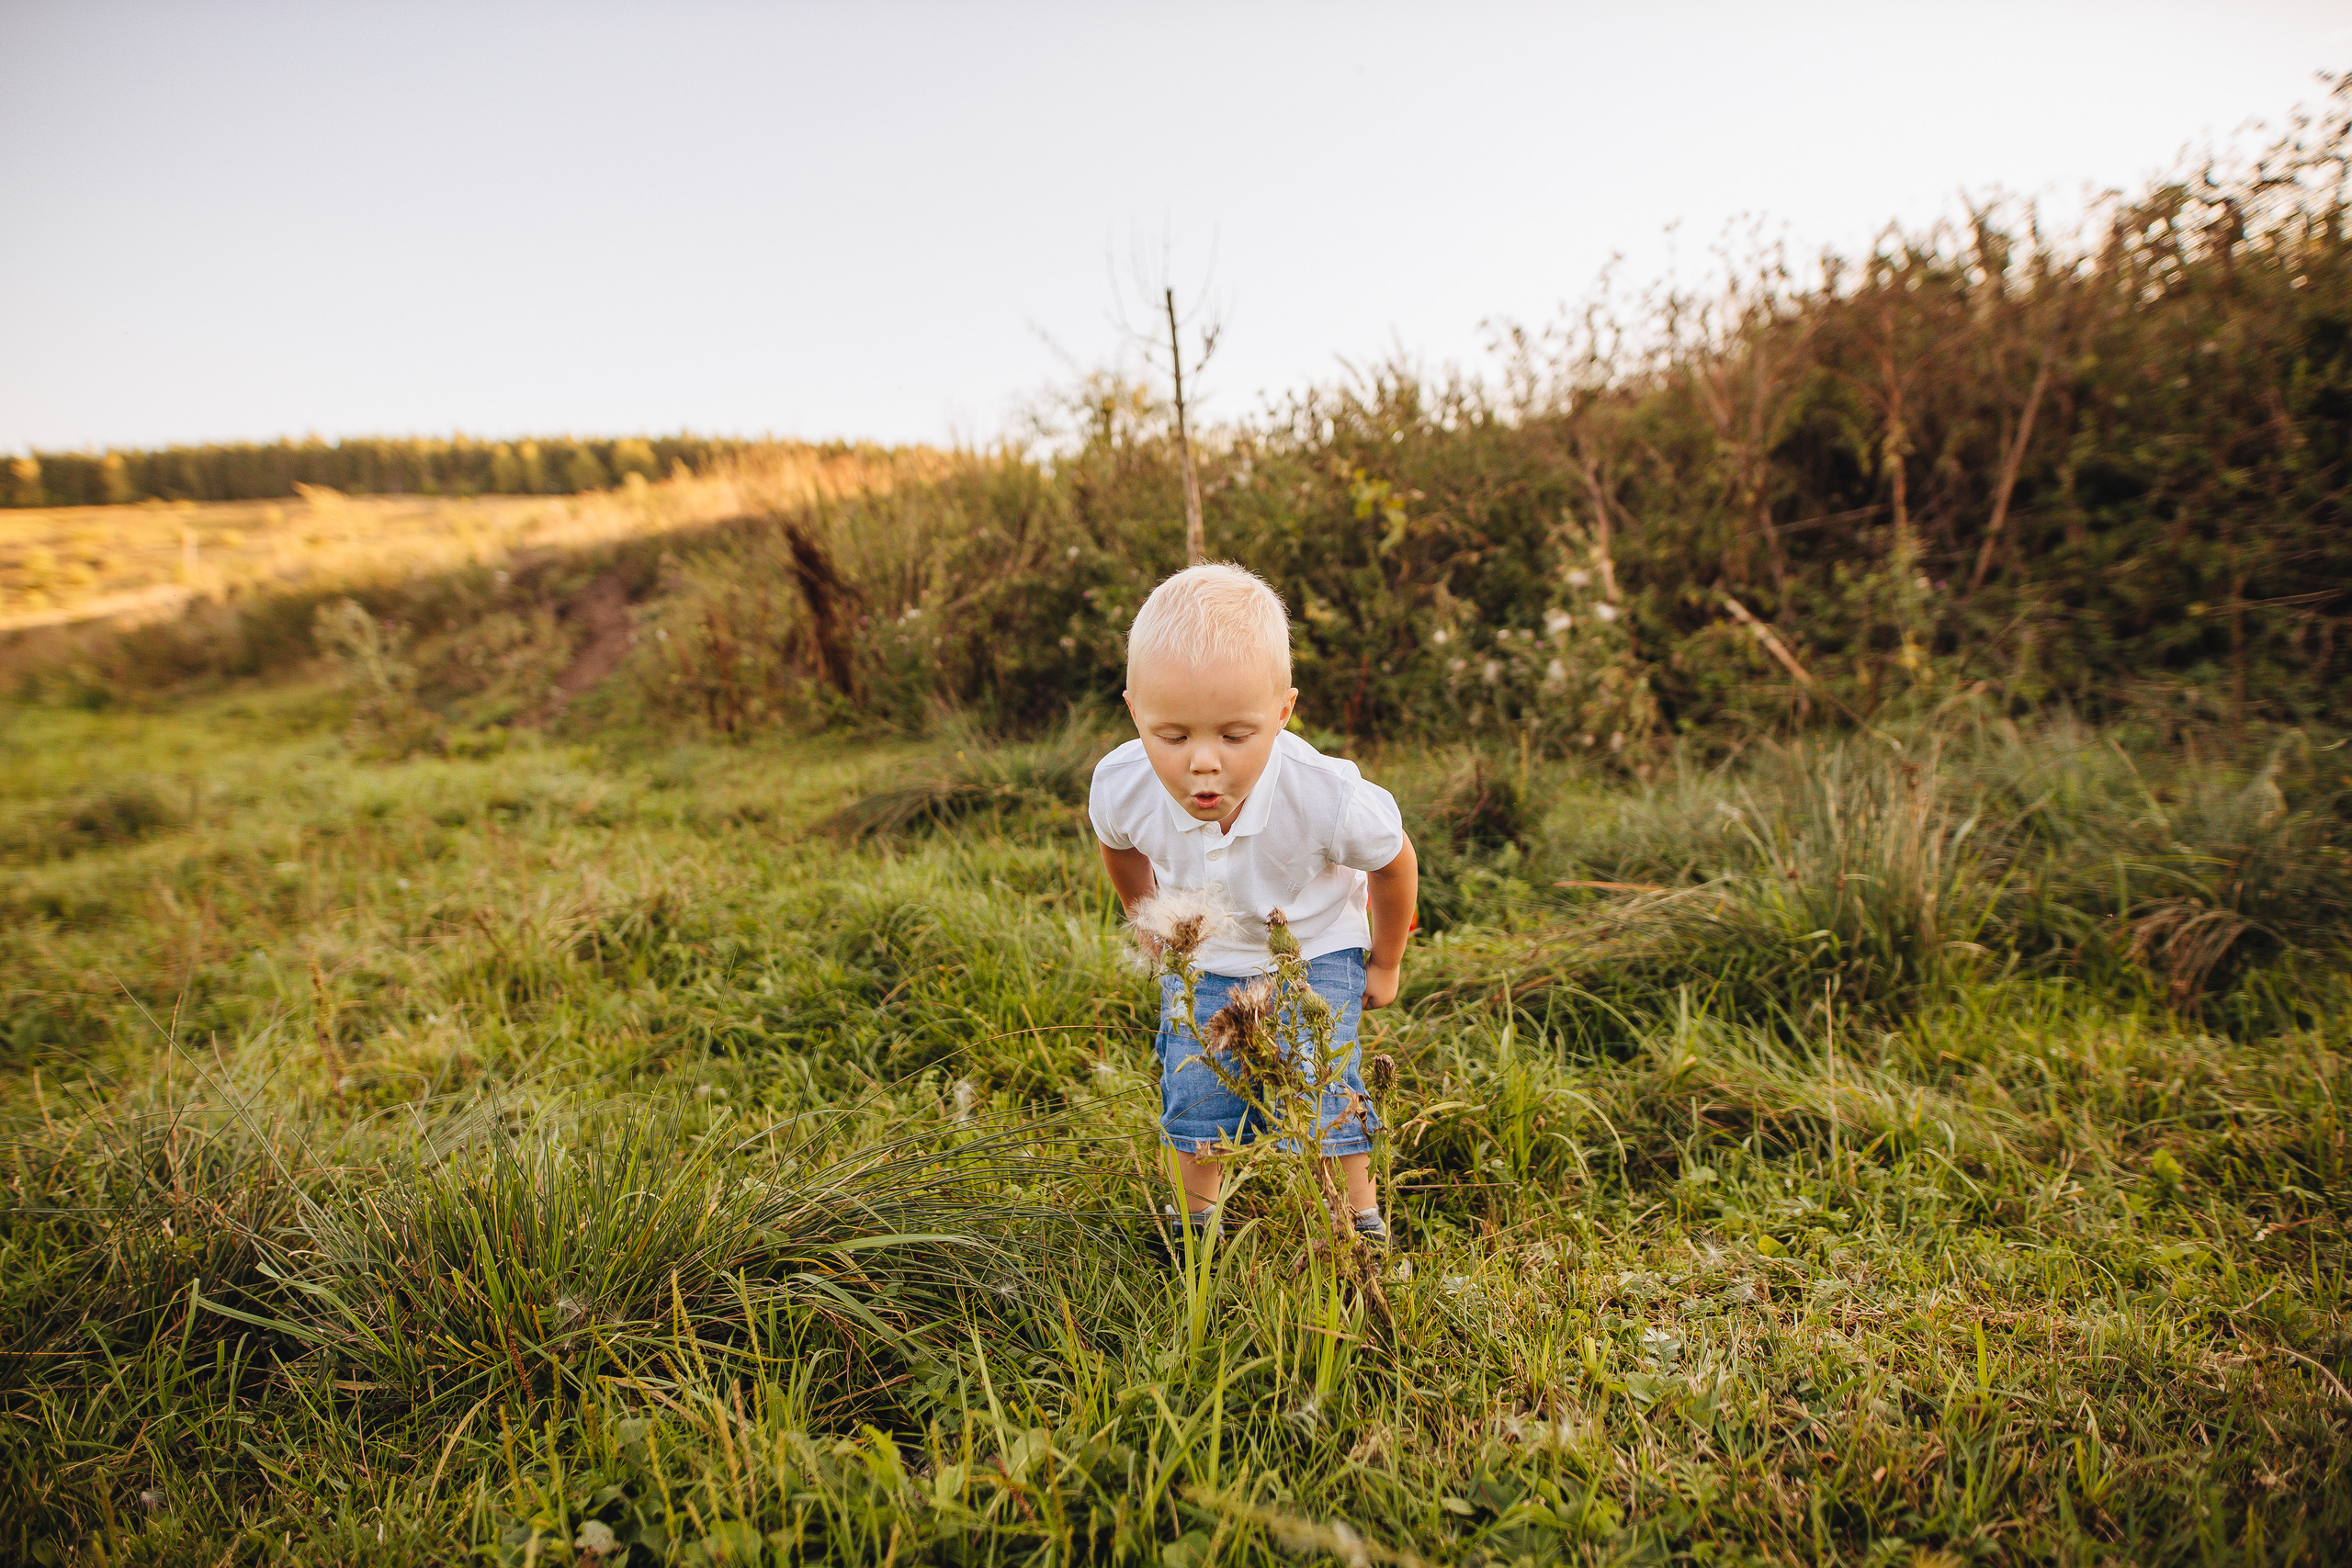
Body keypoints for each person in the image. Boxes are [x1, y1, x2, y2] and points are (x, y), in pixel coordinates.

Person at [1089, 562, 1419, 1251]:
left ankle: (1359, 1223)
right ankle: (1195, 1228)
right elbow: (1117, 846)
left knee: (1321, 1084)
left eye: (1235, 736)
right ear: (1135, 712)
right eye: (1173, 736)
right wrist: (1149, 917)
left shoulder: (1325, 795)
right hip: (1206, 957)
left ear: (1282, 712)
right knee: (1197, 1089)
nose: (1203, 762)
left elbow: (1393, 863)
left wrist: (1385, 962)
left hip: (1315, 950)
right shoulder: (1122, 783)